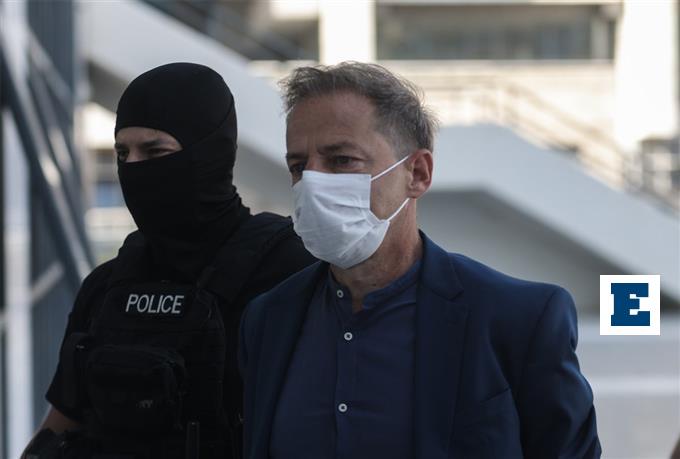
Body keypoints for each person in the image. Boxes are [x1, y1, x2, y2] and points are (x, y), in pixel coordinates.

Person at [238, 62, 602, 459]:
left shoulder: (517, 318)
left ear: (417, 173)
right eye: (298, 167)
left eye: (341, 160)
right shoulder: (268, 319)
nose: (313, 182)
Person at [21, 62, 315, 459]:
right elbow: (57, 429)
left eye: (155, 151)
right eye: (122, 153)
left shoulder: (290, 272)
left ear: (209, 153)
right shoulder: (106, 286)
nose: (134, 169)